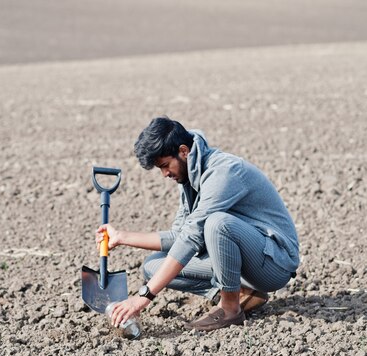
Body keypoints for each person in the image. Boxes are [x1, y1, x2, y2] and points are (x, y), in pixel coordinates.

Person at [98, 116, 299, 332]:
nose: (165, 174)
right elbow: (179, 235)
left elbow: (191, 237)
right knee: (152, 267)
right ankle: (244, 294)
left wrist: (143, 297)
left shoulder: (224, 172)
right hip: (243, 259)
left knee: (217, 223)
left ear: (183, 151)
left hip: (274, 263)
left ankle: (230, 310)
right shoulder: (189, 178)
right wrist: (121, 237)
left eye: (165, 165)